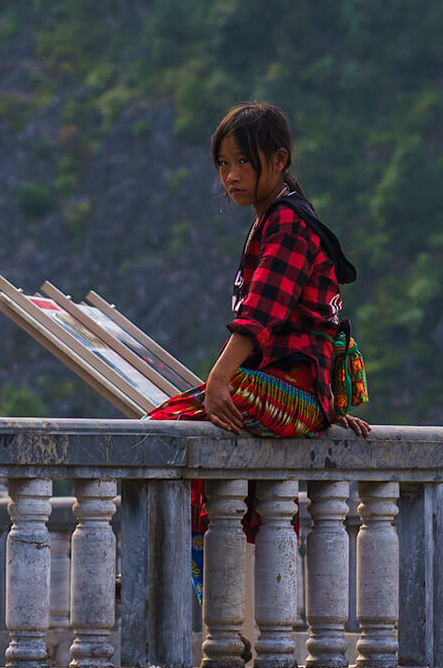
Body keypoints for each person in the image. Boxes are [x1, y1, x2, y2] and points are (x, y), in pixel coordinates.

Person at [148, 101, 369, 580]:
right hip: (299, 392)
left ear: (280, 159)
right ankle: (224, 603)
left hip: (293, 392)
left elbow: (260, 316)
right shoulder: (277, 218)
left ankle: (164, 574)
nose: (232, 175)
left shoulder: (288, 222)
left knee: (159, 428)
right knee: (233, 486)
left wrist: (219, 380)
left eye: (245, 162)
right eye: (224, 164)